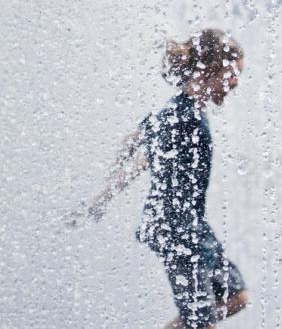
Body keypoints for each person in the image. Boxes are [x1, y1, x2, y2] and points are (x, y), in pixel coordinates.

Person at [71, 29, 250, 329]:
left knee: (236, 297)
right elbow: (135, 143)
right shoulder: (180, 115)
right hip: (174, 228)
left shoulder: (193, 113)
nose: (236, 83)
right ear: (207, 70)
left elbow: (142, 148)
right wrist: (101, 198)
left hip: (193, 227)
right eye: (231, 73)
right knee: (201, 324)